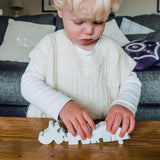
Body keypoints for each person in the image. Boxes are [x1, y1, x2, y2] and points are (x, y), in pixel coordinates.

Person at [21, 0, 141, 141]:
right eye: (79, 22)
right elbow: (29, 83)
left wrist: (124, 104)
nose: (89, 31)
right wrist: (61, 105)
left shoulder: (111, 48)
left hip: (99, 133)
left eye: (98, 22)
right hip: (50, 131)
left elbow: (131, 81)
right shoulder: (49, 45)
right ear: (60, 9)